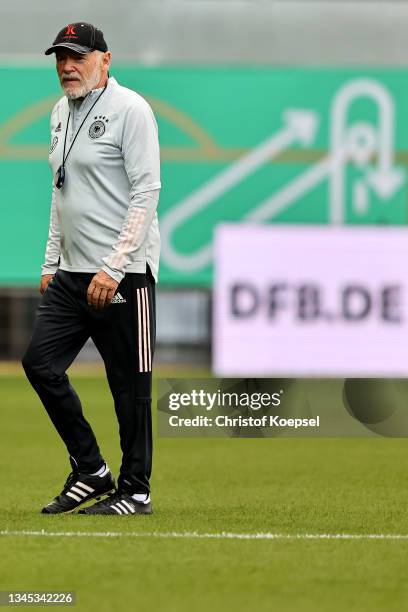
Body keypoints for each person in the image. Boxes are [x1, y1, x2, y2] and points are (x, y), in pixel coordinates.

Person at [21, 22, 161, 516]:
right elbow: (62, 194)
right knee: (39, 364)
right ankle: (91, 470)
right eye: (60, 57)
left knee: (130, 388)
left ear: (105, 59)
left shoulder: (132, 110)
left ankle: (136, 490)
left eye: (77, 56)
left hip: (124, 275)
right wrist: (50, 261)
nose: (66, 65)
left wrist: (115, 267)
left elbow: (146, 192)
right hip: (71, 275)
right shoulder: (61, 112)